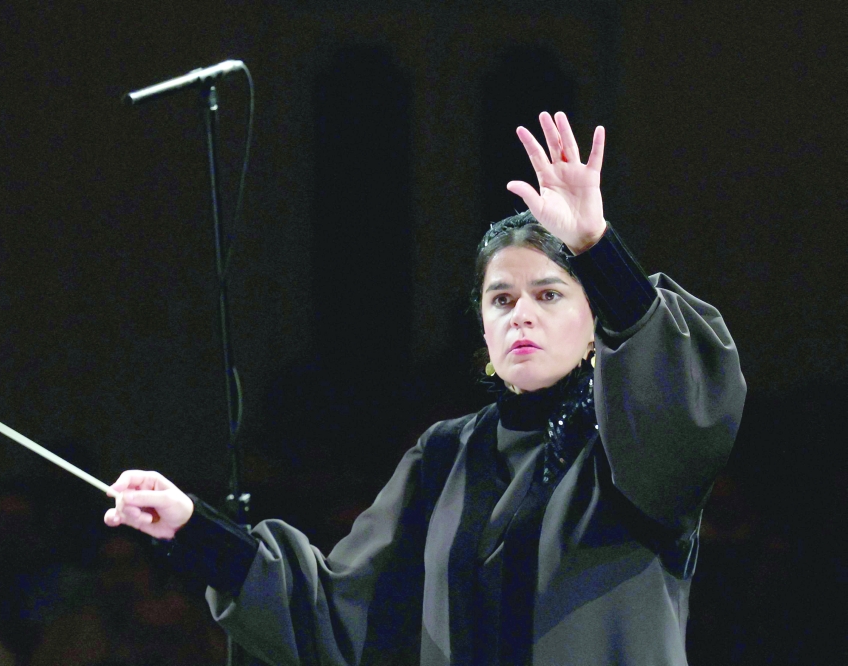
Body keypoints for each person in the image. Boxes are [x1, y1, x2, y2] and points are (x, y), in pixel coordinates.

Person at [103, 111, 746, 665]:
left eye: (549, 294)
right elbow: (338, 614)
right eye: (501, 299)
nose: (521, 315)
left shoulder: (629, 446)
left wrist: (595, 247)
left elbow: (683, 410)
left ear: (593, 326)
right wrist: (193, 528)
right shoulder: (444, 457)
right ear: (483, 328)